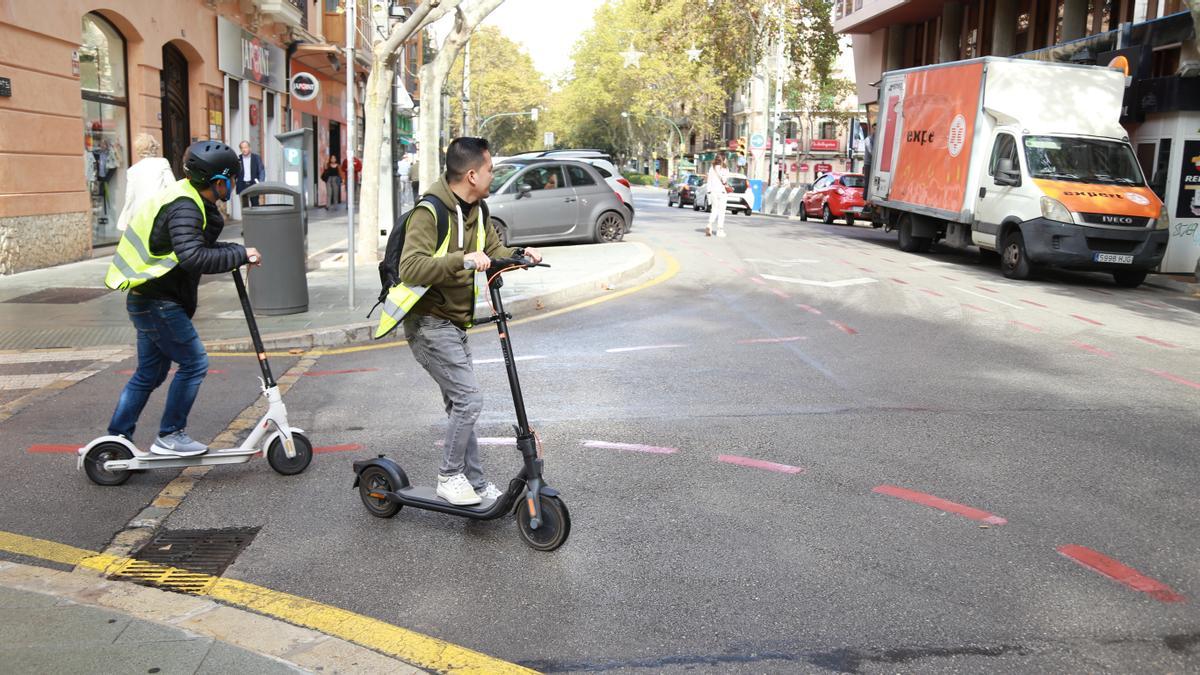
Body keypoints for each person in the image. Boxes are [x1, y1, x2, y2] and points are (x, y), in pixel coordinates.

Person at [398, 137, 542, 506]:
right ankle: (449, 476)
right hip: (428, 323)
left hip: (456, 323)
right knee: (468, 401)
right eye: (491, 169)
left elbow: (492, 251)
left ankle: (475, 485)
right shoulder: (429, 212)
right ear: (473, 174)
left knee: (461, 405)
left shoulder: (479, 209)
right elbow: (410, 267)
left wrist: (519, 256)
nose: (494, 175)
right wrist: (461, 259)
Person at [104, 141, 262, 456]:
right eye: (231, 179)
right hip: (158, 302)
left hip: (148, 298)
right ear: (220, 182)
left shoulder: (187, 197)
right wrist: (239, 254)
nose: (231, 185)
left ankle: (116, 439)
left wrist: (236, 252)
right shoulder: (186, 207)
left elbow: (193, 247)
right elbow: (193, 256)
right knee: (194, 362)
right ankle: (170, 434)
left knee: (150, 373)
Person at [117, 134, 175, 232]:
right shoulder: (162, 163)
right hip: (159, 213)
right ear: (154, 147)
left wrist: (126, 219)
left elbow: (130, 197)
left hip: (140, 215)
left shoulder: (132, 170)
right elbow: (172, 187)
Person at [706, 155, 729, 238]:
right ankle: (720, 230)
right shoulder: (725, 169)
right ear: (724, 160)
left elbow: (709, 182)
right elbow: (724, 180)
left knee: (714, 210)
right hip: (721, 192)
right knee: (721, 211)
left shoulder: (712, 168)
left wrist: (708, 192)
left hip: (712, 192)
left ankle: (709, 224)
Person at [236, 141, 265, 206]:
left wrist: (260, 183)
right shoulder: (238, 159)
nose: (244, 149)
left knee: (255, 205)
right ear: (240, 149)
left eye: (245, 147)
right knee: (244, 206)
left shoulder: (256, 158)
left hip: (253, 184)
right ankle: (245, 216)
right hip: (242, 185)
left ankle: (255, 216)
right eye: (242, 148)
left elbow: (261, 171)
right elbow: (234, 172)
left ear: (249, 148)